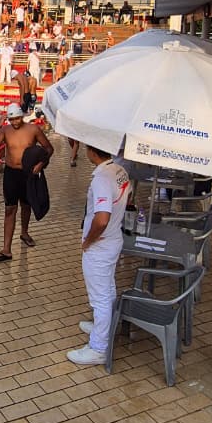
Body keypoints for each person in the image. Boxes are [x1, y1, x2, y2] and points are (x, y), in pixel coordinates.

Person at [67, 145, 130, 366]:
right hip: (113, 240)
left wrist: (88, 241)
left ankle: (98, 348)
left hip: (101, 246)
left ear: (92, 152)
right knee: (108, 288)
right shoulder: (119, 170)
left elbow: (102, 219)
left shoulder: (102, 179)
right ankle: (104, 326)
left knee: (100, 298)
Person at [0, 104, 53, 259]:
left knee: (26, 205)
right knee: (9, 209)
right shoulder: (5, 130)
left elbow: (49, 149)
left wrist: (40, 164)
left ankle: (24, 233)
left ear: (22, 116)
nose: (15, 122)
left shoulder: (33, 130)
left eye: (17, 119)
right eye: (11, 120)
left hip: (27, 173)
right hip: (11, 173)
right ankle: (6, 249)